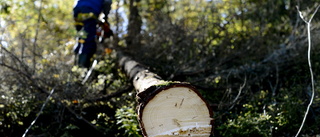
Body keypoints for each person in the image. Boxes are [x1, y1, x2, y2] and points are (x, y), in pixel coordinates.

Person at [73, 0, 113, 68]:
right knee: (88, 40)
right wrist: (105, 17)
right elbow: (107, 2)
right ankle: (82, 68)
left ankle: (75, 62)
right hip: (90, 10)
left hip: (77, 10)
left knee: (81, 37)